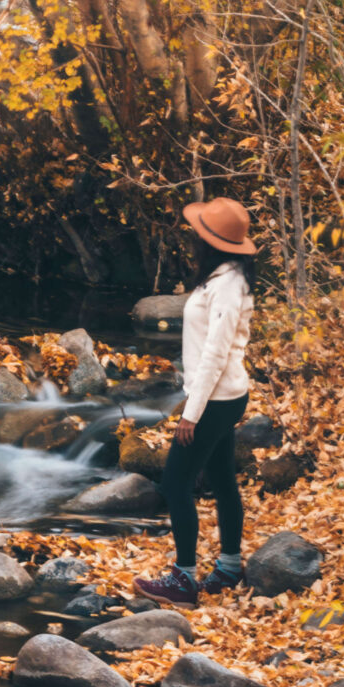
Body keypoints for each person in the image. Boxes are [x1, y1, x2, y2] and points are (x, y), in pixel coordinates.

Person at [133, 198, 256, 607]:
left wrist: (191, 413)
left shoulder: (226, 286)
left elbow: (215, 355)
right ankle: (228, 566)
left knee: (174, 482)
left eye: (200, 232)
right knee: (222, 480)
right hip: (229, 395)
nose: (194, 238)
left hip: (217, 399)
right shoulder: (228, 276)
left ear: (212, 241)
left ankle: (183, 580)